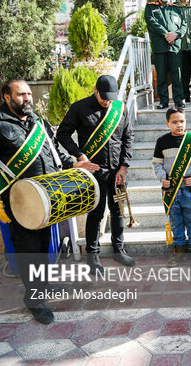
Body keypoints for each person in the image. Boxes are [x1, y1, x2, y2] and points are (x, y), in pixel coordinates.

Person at [0, 79, 98, 323]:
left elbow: (55, 152)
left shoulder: (39, 122)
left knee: (43, 246)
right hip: (19, 201)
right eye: (21, 95)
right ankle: (33, 299)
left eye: (29, 94)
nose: (27, 98)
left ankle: (39, 287)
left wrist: (75, 163)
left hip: (47, 198)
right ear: (7, 98)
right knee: (28, 248)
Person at [57, 75, 136, 275]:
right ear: (95, 90)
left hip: (117, 172)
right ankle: (93, 256)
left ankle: (119, 250)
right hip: (94, 172)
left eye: (111, 98)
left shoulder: (119, 108)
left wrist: (124, 166)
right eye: (104, 97)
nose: (108, 101)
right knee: (96, 213)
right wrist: (79, 155)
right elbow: (62, 134)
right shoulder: (80, 107)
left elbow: (128, 137)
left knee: (118, 210)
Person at [152, 107, 191, 267]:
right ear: (167, 123)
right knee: (175, 221)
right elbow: (157, 164)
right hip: (171, 190)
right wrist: (162, 178)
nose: (179, 125)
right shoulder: (162, 141)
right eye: (174, 122)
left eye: (182, 121)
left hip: (190, 189)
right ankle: (179, 249)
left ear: (186, 122)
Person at [144, 0, 186, 109]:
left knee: (177, 75)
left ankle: (179, 100)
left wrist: (176, 35)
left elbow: (184, 26)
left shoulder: (176, 8)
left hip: (175, 47)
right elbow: (151, 22)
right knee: (161, 75)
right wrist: (167, 34)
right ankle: (163, 100)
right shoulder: (150, 7)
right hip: (160, 47)